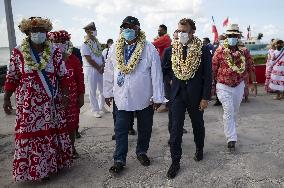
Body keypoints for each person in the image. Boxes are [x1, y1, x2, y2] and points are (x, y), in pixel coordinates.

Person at [3, 17, 73, 181]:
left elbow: (62, 75)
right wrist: (6, 98)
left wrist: (65, 94)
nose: (39, 33)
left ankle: (51, 167)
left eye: (42, 30)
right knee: (31, 135)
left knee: (50, 132)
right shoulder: (18, 52)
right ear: (27, 32)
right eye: (35, 31)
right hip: (28, 105)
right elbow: (12, 76)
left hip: (50, 102)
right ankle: (35, 170)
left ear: (47, 32)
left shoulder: (55, 51)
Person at [103, 16, 164, 174]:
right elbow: (109, 72)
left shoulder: (149, 48)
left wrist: (158, 97)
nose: (128, 30)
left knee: (145, 128)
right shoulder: (114, 48)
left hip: (144, 97)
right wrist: (107, 92)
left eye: (131, 27)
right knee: (121, 128)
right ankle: (119, 159)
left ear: (138, 28)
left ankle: (142, 152)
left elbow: (157, 74)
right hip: (121, 95)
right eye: (125, 27)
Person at [163, 18, 212, 179]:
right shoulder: (171, 50)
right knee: (176, 129)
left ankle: (199, 148)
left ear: (192, 32)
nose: (180, 34)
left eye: (184, 31)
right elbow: (165, 70)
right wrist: (171, 80)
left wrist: (205, 97)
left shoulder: (203, 49)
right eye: (179, 31)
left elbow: (207, 75)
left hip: (196, 95)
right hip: (177, 94)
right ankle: (175, 161)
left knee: (198, 124)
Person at [212, 24, 257, 152]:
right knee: (228, 110)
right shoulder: (219, 51)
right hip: (223, 86)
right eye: (230, 35)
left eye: (234, 36)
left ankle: (231, 129)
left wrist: (254, 83)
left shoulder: (244, 51)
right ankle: (231, 138)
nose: (232, 37)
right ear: (227, 36)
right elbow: (214, 68)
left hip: (238, 86)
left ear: (238, 37)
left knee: (234, 111)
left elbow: (250, 66)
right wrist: (214, 85)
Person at [48, 30, 85, 159]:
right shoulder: (47, 60)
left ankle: (72, 148)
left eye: (62, 42)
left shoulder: (73, 59)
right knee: (55, 126)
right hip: (53, 99)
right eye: (55, 42)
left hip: (71, 98)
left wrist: (81, 95)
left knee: (71, 124)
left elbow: (80, 78)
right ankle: (57, 151)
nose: (58, 44)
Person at [162, 29, 188, 143]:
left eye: (180, 38)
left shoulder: (189, 51)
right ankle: (172, 135)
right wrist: (170, 80)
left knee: (180, 112)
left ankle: (178, 129)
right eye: (176, 38)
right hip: (172, 87)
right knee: (172, 112)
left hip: (185, 87)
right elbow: (164, 69)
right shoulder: (168, 51)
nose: (178, 40)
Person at [81, 22, 105, 118]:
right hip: (91, 69)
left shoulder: (96, 42)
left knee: (102, 89)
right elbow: (88, 59)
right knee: (92, 90)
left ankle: (100, 106)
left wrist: (103, 65)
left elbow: (100, 55)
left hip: (100, 68)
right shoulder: (85, 44)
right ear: (87, 31)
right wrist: (98, 67)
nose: (95, 31)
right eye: (92, 29)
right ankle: (95, 110)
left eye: (95, 29)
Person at [212, 34, 227, 106]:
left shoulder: (228, 49)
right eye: (220, 40)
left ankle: (225, 101)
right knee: (217, 86)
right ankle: (218, 100)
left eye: (222, 40)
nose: (221, 41)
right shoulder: (214, 48)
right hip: (216, 72)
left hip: (225, 73)